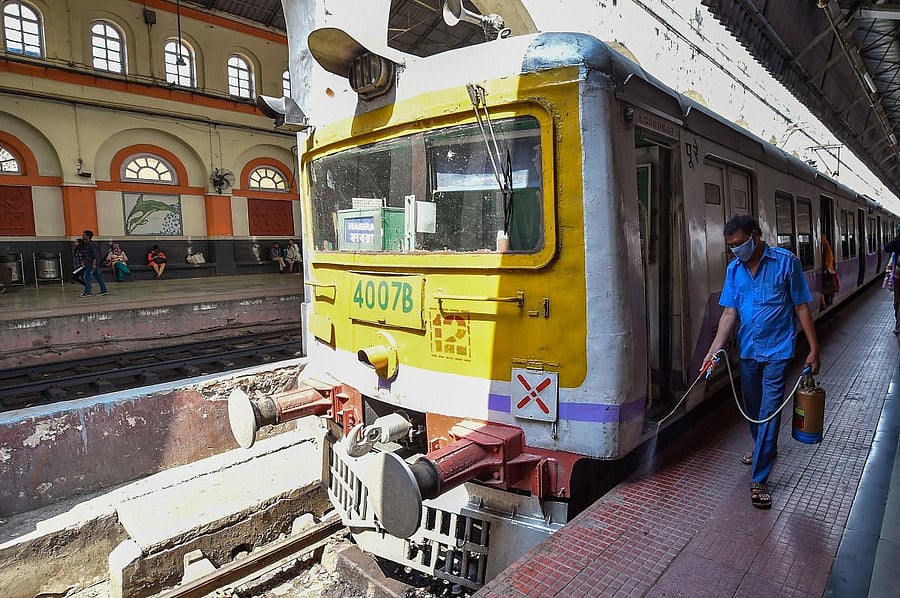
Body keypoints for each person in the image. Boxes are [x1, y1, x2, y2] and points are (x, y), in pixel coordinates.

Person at [701, 214, 820, 509]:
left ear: (756, 235)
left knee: (768, 411)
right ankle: (763, 446)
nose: (736, 250)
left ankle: (760, 478)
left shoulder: (786, 262)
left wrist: (814, 349)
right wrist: (714, 350)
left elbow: (801, 307)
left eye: (740, 243)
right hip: (749, 351)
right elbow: (730, 313)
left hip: (779, 351)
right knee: (752, 408)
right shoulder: (734, 270)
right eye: (731, 246)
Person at [80, 230, 108, 298]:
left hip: (92, 263)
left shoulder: (92, 245)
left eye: (84, 235)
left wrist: (94, 264)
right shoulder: (86, 244)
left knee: (87, 277)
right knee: (98, 277)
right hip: (89, 263)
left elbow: (94, 255)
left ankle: (87, 292)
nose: (82, 236)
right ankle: (104, 290)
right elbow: (87, 255)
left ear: (88, 236)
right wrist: (84, 261)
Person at [885, 228, 900, 333]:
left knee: (898, 299)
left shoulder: (897, 242)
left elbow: (887, 248)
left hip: (899, 274)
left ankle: (899, 326)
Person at [820, 233, 836, 309]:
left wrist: (825, 268)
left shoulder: (825, 249)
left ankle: (824, 303)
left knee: (825, 287)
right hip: (829, 269)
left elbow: (827, 261)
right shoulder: (827, 247)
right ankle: (826, 302)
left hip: (828, 270)